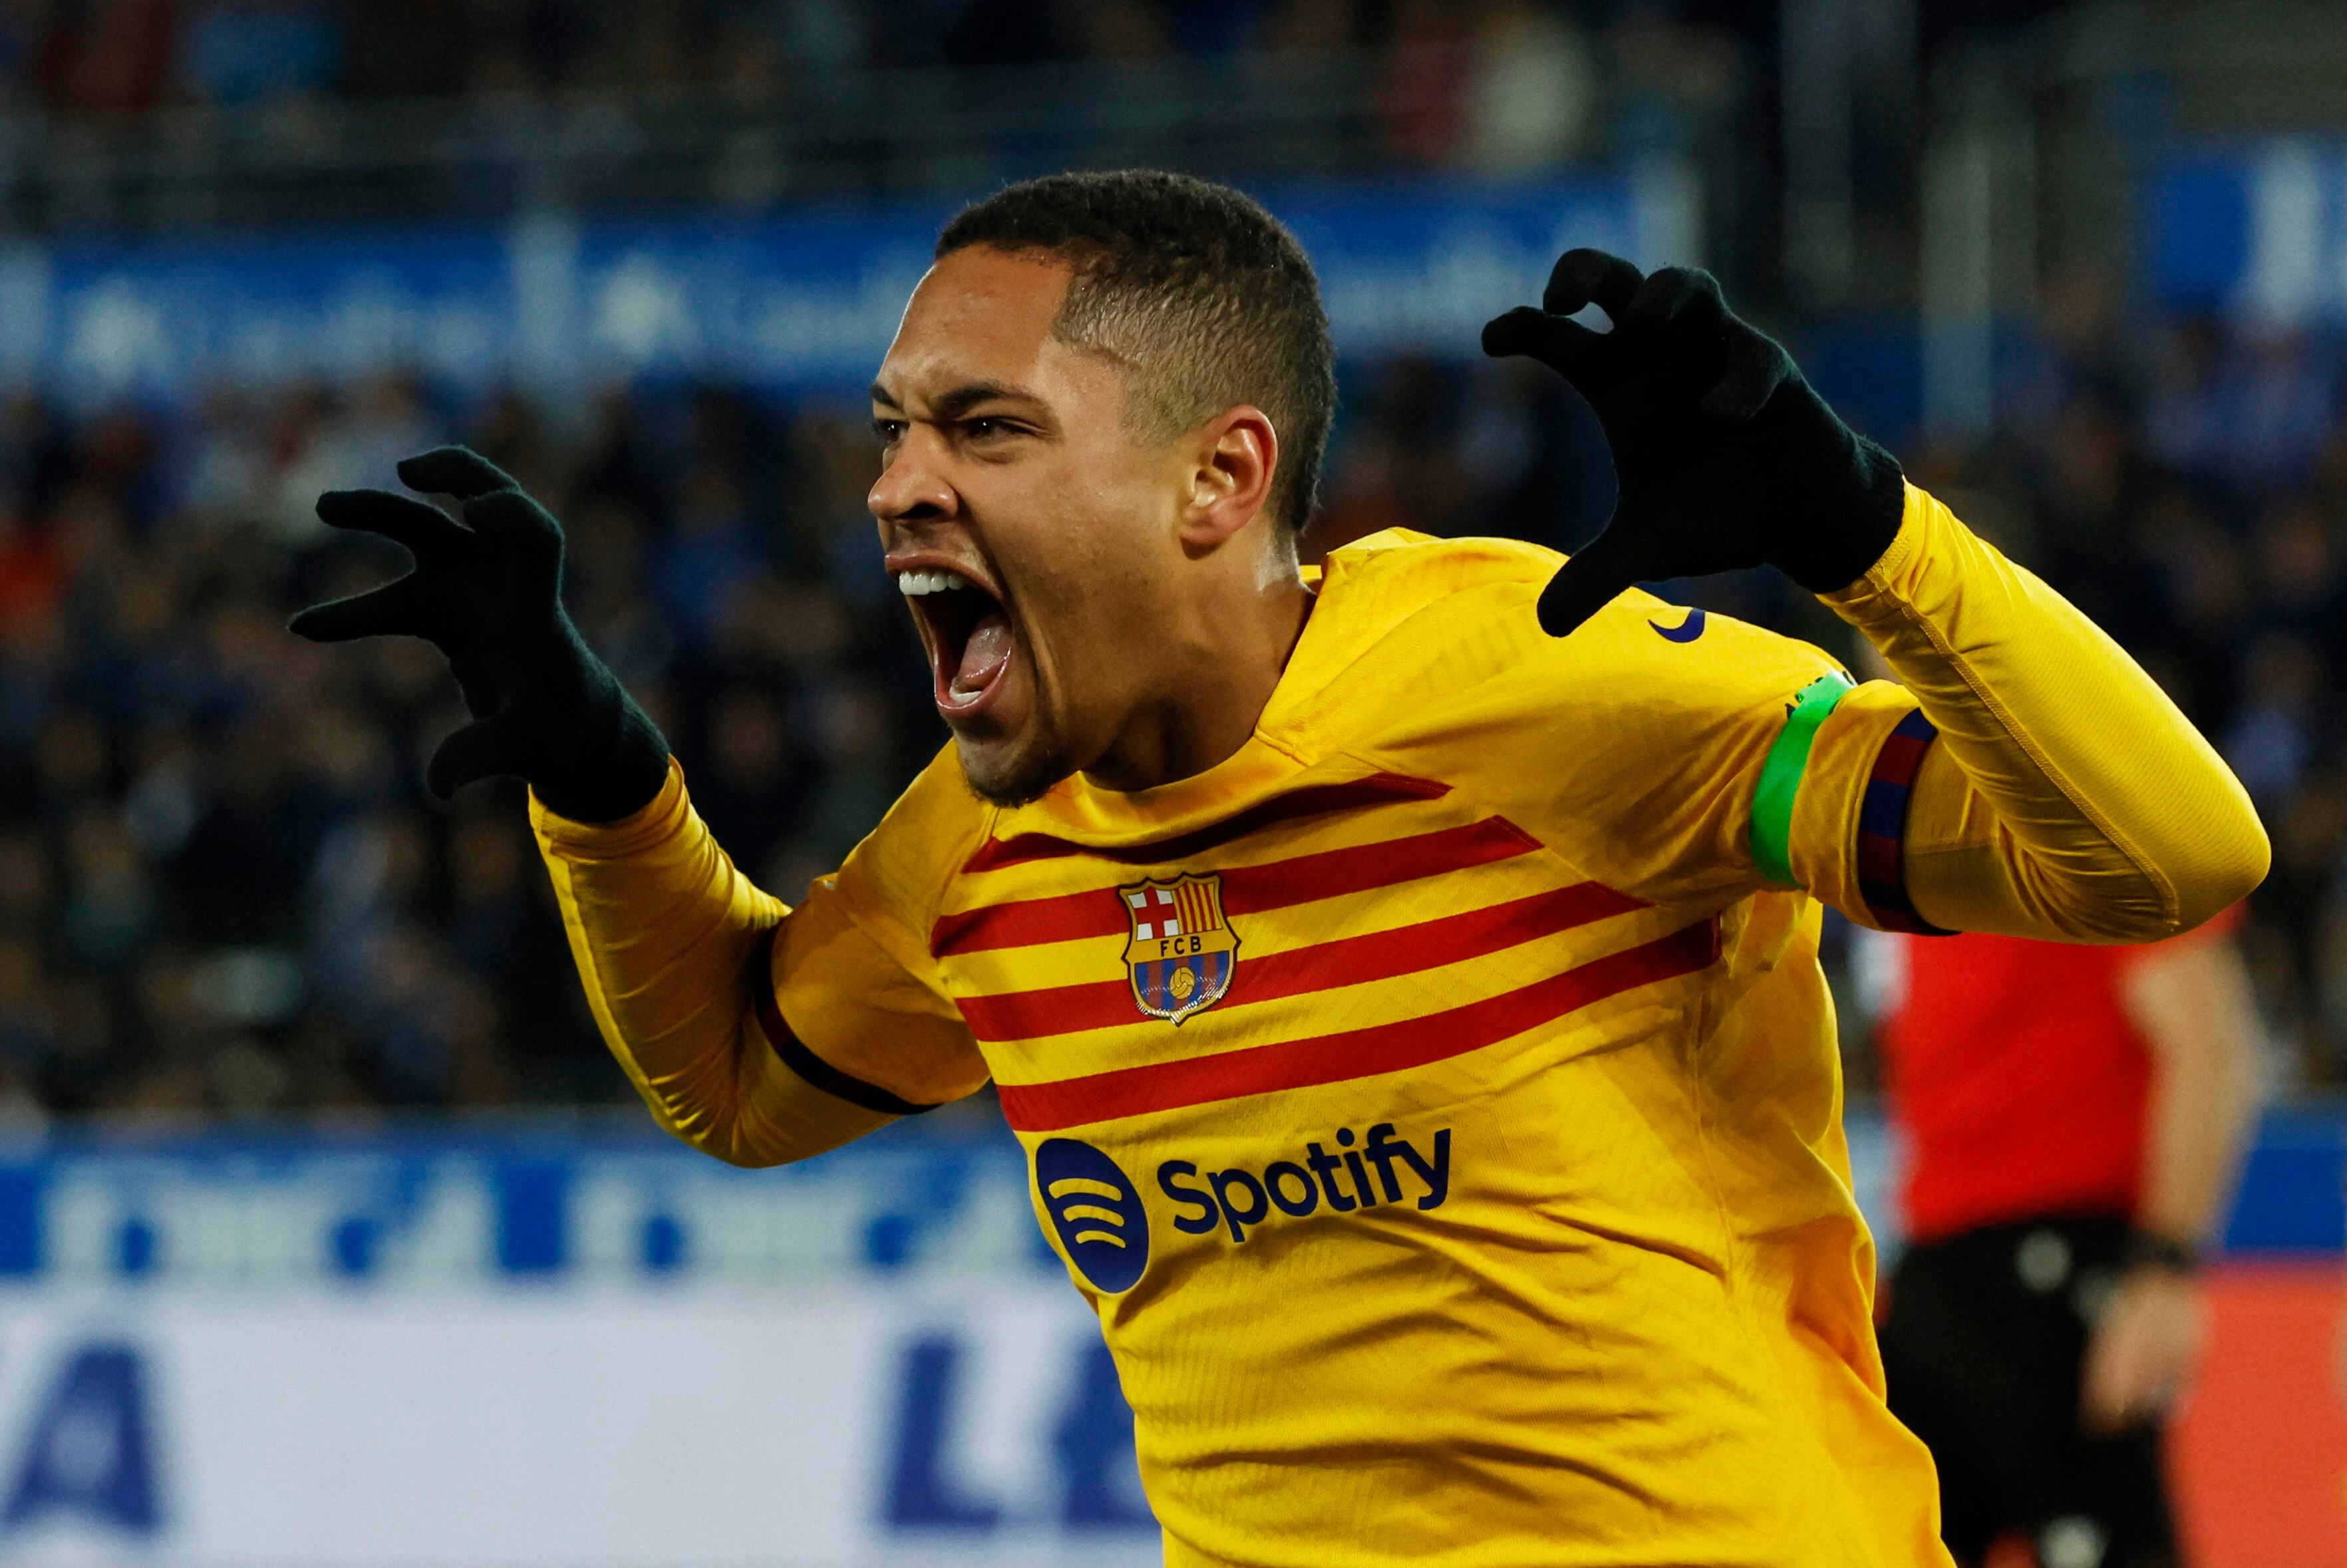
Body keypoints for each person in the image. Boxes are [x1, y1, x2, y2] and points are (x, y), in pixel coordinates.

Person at [287, 170, 2268, 1567]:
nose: (902, 481)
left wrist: (1865, 536)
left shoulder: (1549, 684)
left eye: (986, 424)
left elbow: (2167, 856)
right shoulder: (977, 847)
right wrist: (598, 774)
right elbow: (735, 1076)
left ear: (1216, 480)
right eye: (895, 429)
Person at [1871, 917, 2264, 1568]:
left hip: (2060, 1269)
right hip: (1939, 1269)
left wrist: (2163, 1268)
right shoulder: (1939, 840)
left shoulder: (2094, 822)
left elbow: (2209, 1040)